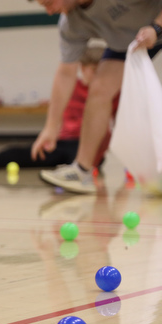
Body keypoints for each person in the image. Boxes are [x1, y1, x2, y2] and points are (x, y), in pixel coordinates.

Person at [30, 0, 162, 193]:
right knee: (99, 89)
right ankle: (81, 171)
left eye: (50, 3)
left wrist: (156, 28)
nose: (50, 12)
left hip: (155, 26)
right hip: (130, 42)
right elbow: (66, 73)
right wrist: (51, 128)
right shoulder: (71, 24)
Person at [0, 43, 117, 171]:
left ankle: (79, 167)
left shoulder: (110, 93)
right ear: (83, 68)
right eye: (94, 70)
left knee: (72, 156)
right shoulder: (71, 87)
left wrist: (97, 154)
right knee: (14, 153)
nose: (98, 75)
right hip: (62, 144)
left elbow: (114, 124)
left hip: (87, 147)